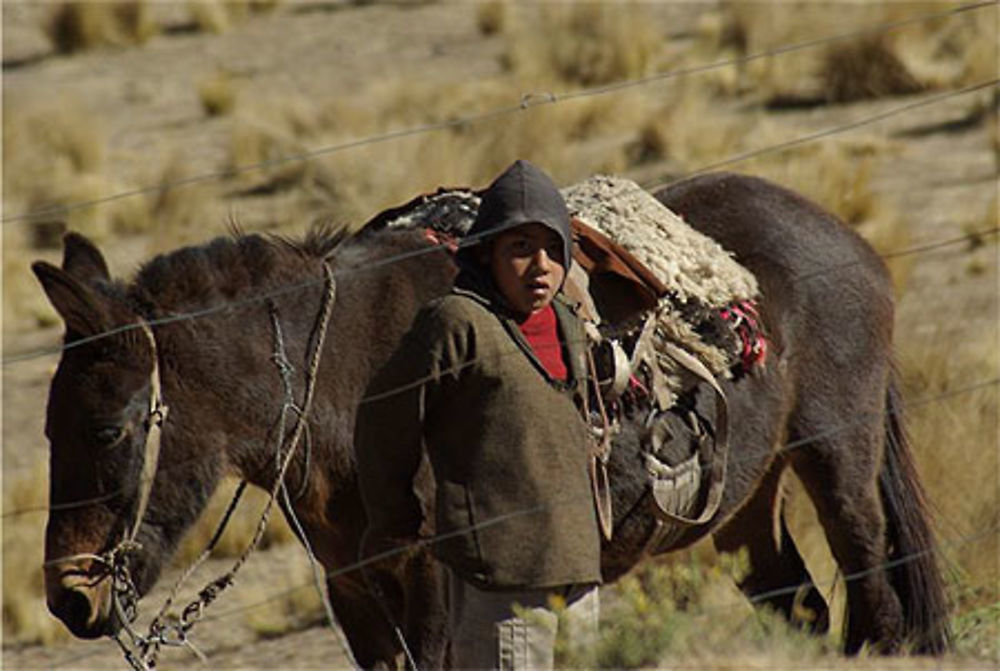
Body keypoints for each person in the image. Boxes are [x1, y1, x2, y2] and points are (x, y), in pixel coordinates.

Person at [355, 160, 601, 670]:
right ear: (486, 252)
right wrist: (394, 517)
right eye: (519, 248)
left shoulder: (564, 319)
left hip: (575, 569)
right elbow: (383, 414)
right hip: (501, 583)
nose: (541, 267)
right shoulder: (457, 320)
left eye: (554, 250)